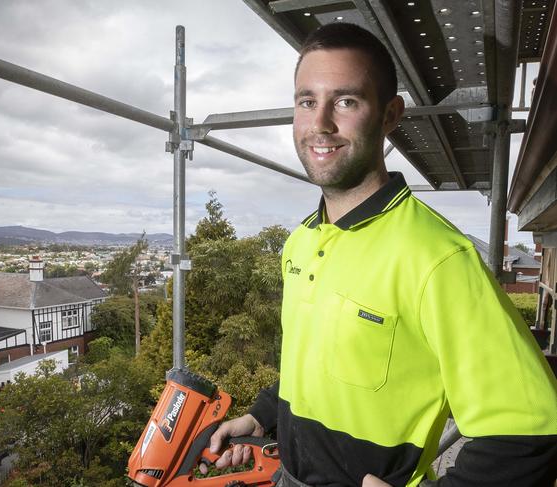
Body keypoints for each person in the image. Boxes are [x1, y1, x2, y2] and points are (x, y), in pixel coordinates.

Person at [205, 23, 557, 487]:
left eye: (346, 101)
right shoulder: (302, 242)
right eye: (307, 101)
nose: (321, 123)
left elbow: (531, 428)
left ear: (391, 114)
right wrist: (263, 415)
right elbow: (311, 363)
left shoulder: (437, 257)